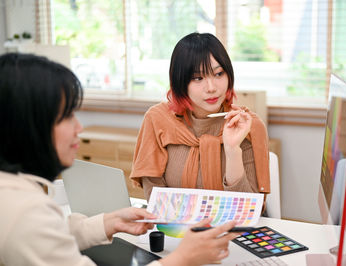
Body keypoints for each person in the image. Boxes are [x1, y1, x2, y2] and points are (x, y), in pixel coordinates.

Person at [0, 53, 238, 266]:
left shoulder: (14, 195)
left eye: (218, 74)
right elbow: (36, 230)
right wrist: (182, 259)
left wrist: (108, 222)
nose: (79, 127)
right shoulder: (25, 213)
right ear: (28, 127)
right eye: (66, 116)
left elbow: (50, 235)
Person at [130, 32, 270, 201]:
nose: (211, 87)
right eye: (198, 78)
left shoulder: (245, 125)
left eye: (219, 74)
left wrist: (233, 151)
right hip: (176, 226)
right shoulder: (158, 120)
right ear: (180, 82)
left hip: (232, 226)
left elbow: (250, 209)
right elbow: (156, 201)